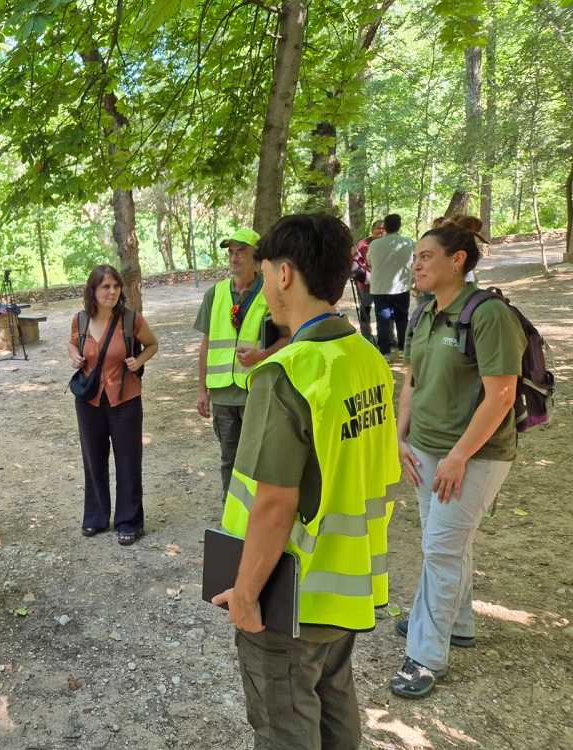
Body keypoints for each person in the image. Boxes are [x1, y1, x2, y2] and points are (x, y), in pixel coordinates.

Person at [211, 214, 400, 749]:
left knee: (286, 726)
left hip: (289, 596)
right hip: (347, 585)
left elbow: (272, 502)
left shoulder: (289, 371)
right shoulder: (366, 358)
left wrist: (245, 594)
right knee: (334, 703)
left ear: (285, 274)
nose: (264, 286)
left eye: (266, 271)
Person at [389, 217, 525, 700]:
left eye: (425, 256)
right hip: (425, 451)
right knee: (445, 544)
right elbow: (411, 381)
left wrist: (458, 456)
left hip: (474, 458)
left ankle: (426, 656)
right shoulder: (424, 313)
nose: (416, 264)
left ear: (457, 260)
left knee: (440, 550)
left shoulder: (487, 315)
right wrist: (398, 438)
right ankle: (458, 623)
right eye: (417, 257)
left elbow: (501, 396)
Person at [194, 228, 289, 502]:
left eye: (241, 252)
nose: (234, 258)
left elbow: (289, 338)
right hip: (222, 394)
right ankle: (231, 516)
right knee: (229, 459)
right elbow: (206, 345)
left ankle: (258, 516)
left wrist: (261, 354)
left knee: (260, 459)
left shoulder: (271, 293)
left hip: (258, 392)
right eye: (231, 252)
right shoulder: (216, 294)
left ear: (256, 256)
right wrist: (202, 390)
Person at [67, 265, 159, 545]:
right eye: (105, 287)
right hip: (89, 400)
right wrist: (74, 357)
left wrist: (138, 361)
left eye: (116, 286)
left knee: (128, 461)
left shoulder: (131, 320)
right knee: (93, 460)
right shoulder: (81, 320)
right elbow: (72, 344)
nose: (112, 292)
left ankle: (129, 522)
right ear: (93, 291)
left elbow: (152, 345)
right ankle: (96, 518)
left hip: (125, 399)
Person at [368, 213, 415, 358]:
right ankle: (402, 349)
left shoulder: (375, 244)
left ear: (385, 227)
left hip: (380, 288)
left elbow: (369, 262)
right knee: (402, 318)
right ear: (399, 226)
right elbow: (415, 261)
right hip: (401, 287)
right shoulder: (408, 242)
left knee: (382, 321)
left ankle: (385, 352)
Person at [351, 220, 384, 341]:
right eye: (378, 228)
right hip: (365, 284)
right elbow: (355, 262)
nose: (381, 231)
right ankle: (366, 336)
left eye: (383, 229)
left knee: (384, 312)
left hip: (383, 285)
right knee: (365, 310)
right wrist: (367, 273)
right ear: (373, 230)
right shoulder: (364, 244)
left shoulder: (388, 244)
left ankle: (387, 337)